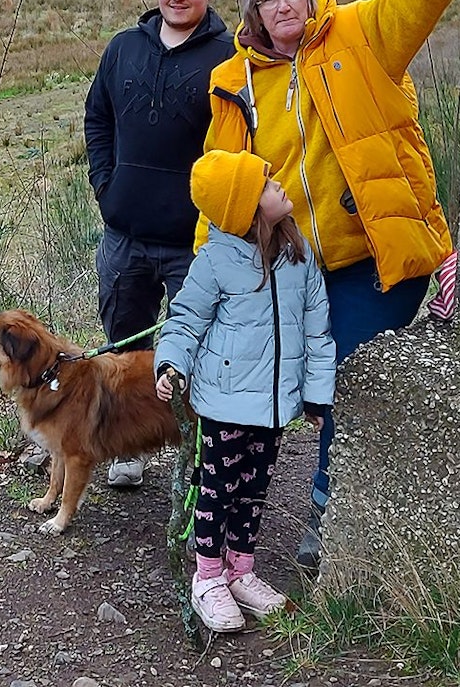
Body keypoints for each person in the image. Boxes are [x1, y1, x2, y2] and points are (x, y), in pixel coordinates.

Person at [207, 0, 460, 569]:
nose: (286, 5)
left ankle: (328, 512)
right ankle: (225, 532)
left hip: (375, 262)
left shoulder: (358, 35)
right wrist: (217, 261)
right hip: (288, 270)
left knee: (341, 379)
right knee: (258, 391)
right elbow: (216, 173)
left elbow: (410, 1)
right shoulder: (232, 79)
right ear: (253, 13)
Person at [152, 149, 334, 632]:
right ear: (247, 209)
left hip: (273, 407)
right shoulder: (214, 261)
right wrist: (171, 365)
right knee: (216, 489)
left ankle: (241, 570)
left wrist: (316, 395)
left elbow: (318, 331)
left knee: (254, 491)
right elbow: (186, 320)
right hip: (226, 402)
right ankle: (207, 575)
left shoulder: (297, 255)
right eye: (267, 184)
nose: (279, 185)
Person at [82, 0, 238, 488]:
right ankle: (131, 447)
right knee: (125, 346)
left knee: (199, 346)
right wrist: (107, 186)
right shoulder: (124, 48)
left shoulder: (229, 57)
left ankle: (199, 449)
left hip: (194, 240)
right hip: (124, 234)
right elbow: (97, 117)